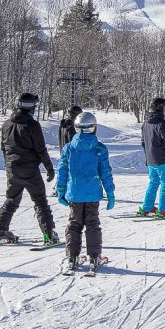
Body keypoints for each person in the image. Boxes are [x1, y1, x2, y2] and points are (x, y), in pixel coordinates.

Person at [0, 92, 60, 245]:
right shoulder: (32, 125)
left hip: (12, 169)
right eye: (35, 105)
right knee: (40, 201)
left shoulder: (6, 124)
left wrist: (8, 165)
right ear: (30, 107)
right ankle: (49, 234)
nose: (35, 108)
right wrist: (49, 168)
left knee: (11, 200)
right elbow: (41, 149)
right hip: (29, 170)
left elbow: (4, 148)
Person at [56, 111, 116, 272]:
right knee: (92, 224)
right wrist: (110, 193)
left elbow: (62, 170)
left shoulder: (69, 148)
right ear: (94, 128)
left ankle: (72, 256)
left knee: (74, 224)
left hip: (74, 194)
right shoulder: (99, 148)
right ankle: (94, 256)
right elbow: (106, 173)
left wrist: (60, 190)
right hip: (92, 194)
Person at [141, 97, 165, 216]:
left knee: (153, 183)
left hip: (151, 161)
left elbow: (143, 143)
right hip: (162, 160)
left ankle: (147, 207)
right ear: (160, 107)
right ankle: (163, 210)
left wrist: (147, 158)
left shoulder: (146, 123)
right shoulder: (163, 124)